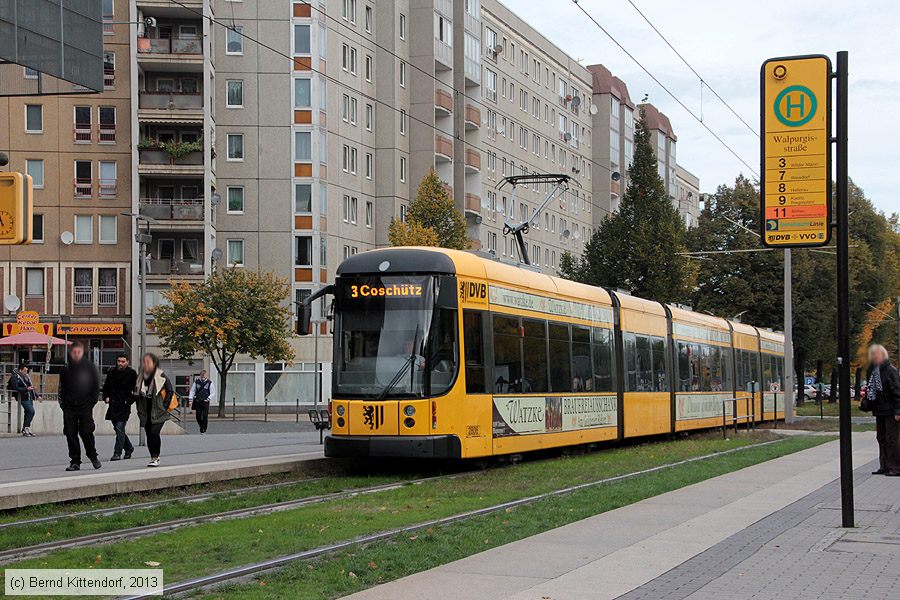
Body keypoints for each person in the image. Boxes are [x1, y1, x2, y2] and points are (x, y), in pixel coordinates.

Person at [59, 341, 101, 471]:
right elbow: (62, 388)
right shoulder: (66, 369)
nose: (76, 354)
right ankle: (75, 461)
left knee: (86, 431)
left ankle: (93, 456)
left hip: (85, 406)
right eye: (74, 352)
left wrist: (90, 403)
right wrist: (63, 404)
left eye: (79, 352)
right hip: (69, 406)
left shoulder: (90, 369)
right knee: (70, 433)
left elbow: (95, 388)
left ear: (82, 353)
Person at [861, 344, 900, 476]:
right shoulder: (872, 370)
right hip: (879, 410)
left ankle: (896, 467)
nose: (875, 356)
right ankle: (884, 466)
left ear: (883, 355)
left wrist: (898, 411)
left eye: (877, 354)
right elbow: (871, 389)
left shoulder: (890, 370)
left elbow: (897, 391)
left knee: (892, 439)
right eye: (873, 354)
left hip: (891, 410)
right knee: (881, 438)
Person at [136, 353, 174, 467]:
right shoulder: (140, 377)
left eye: (148, 362)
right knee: (149, 434)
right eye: (144, 362)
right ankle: (152, 456)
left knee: (154, 432)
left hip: (158, 410)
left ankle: (156, 456)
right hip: (145, 411)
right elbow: (136, 393)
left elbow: (170, 391)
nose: (146, 364)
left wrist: (164, 406)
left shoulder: (160, 375)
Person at [103, 353, 138, 460]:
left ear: (127, 362)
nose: (120, 363)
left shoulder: (132, 373)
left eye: (123, 361)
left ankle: (117, 452)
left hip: (124, 405)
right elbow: (106, 386)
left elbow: (136, 390)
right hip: (113, 404)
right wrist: (106, 397)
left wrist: (129, 401)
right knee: (117, 428)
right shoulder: (112, 372)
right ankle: (129, 448)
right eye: (119, 361)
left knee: (119, 427)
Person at [9, 363, 39, 437]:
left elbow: (30, 386)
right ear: (20, 370)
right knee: (31, 411)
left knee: (28, 412)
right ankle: (26, 428)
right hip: (23, 397)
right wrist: (26, 389)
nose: (26, 372)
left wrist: (37, 395)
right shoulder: (15, 377)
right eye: (24, 371)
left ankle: (26, 428)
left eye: (26, 371)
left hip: (29, 396)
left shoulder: (26, 377)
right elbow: (16, 387)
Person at [188, 369, 215, 434]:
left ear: (206, 376)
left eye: (204, 376)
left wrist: (208, 398)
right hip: (198, 401)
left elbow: (213, 392)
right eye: (202, 376)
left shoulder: (209, 383)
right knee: (198, 416)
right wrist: (190, 399)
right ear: (200, 375)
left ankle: (204, 429)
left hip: (205, 401)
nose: (203, 377)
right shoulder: (196, 382)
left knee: (205, 416)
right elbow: (192, 391)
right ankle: (201, 426)